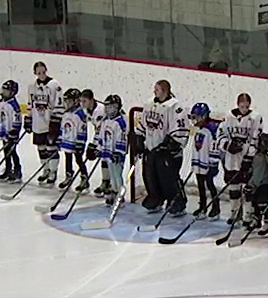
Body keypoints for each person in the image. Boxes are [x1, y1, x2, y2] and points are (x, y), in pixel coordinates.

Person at [139, 79, 188, 215]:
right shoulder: (149, 104)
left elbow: (181, 130)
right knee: (150, 176)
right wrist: (139, 139)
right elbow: (143, 124)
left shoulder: (175, 107)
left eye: (157, 89)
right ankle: (155, 199)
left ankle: (177, 202)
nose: (154, 92)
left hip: (168, 153)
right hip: (151, 149)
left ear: (165, 91)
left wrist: (170, 145)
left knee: (169, 179)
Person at [220, 93, 262, 224]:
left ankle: (247, 215)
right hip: (231, 158)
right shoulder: (228, 117)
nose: (244, 108)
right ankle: (234, 213)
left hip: (245, 158)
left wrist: (249, 158)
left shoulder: (255, 118)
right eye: (242, 106)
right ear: (237, 104)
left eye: (246, 106)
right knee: (233, 187)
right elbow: (221, 135)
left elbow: (256, 139)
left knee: (247, 189)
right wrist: (228, 145)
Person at [26, 62, 63, 184]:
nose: (41, 74)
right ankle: (45, 169)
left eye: (43, 71)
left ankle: (53, 172)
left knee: (51, 147)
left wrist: (55, 121)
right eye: (38, 72)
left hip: (50, 122)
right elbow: (30, 104)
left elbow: (59, 103)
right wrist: (28, 119)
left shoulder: (54, 85)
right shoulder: (32, 86)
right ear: (35, 73)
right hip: (38, 122)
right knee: (41, 147)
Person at [187, 103, 221, 219]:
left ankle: (216, 208)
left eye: (197, 117)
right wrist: (195, 162)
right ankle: (203, 206)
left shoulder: (212, 129)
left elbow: (215, 148)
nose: (194, 120)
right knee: (200, 185)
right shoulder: (198, 128)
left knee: (210, 185)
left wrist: (213, 163)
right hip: (200, 163)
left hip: (209, 163)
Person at [94, 95, 129, 205]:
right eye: (107, 107)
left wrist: (118, 153)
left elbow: (122, 139)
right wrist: (98, 149)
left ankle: (120, 194)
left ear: (117, 107)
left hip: (116, 155)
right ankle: (114, 191)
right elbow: (101, 137)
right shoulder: (105, 121)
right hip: (107, 153)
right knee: (111, 175)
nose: (108, 109)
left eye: (111, 107)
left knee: (117, 175)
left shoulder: (120, 122)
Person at [0, 80, 23, 183]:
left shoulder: (13, 104)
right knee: (6, 152)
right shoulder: (1, 102)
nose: (4, 92)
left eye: (6, 90)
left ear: (12, 92)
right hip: (4, 131)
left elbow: (18, 119)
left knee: (13, 152)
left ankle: (17, 171)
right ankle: (8, 169)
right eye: (4, 89)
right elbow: (0, 116)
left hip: (11, 133)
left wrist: (14, 131)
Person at [247, 132, 268, 237]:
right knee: (256, 204)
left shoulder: (260, 157)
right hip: (263, 184)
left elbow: (258, 175)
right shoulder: (263, 156)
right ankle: (257, 221)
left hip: (263, 185)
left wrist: (251, 185)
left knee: (262, 205)